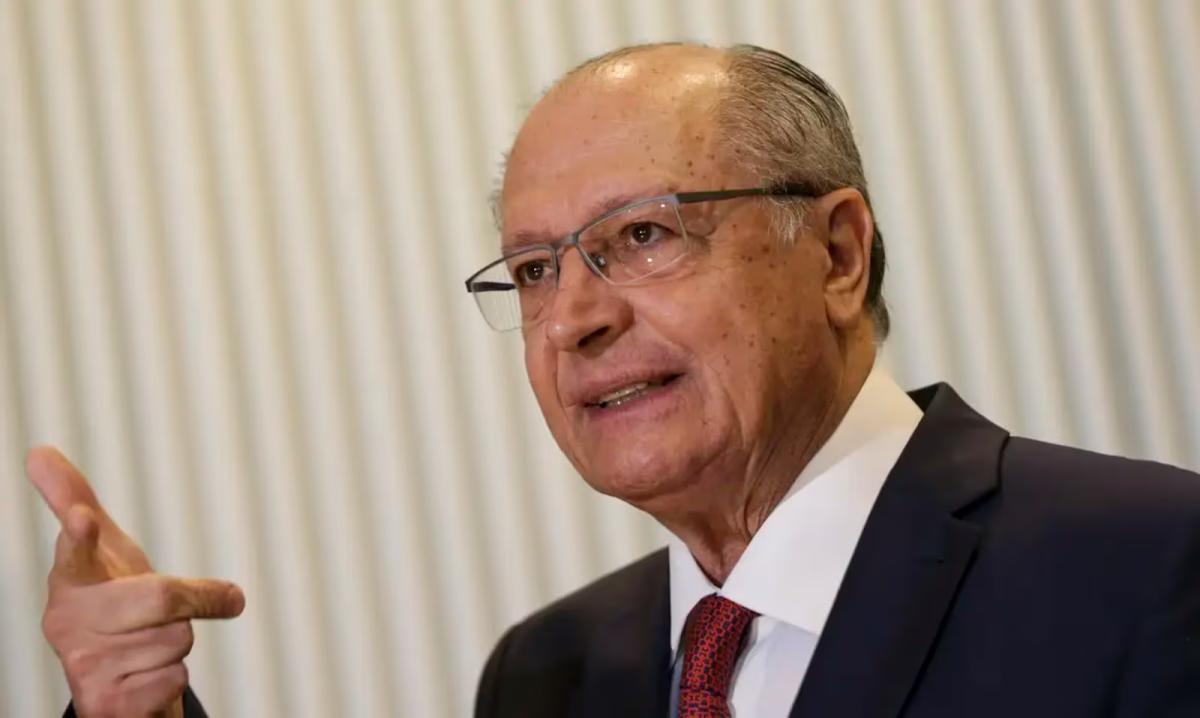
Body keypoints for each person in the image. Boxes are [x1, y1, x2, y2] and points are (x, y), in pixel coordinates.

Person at [30, 42, 1200, 718]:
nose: (577, 318)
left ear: (838, 253)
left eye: (642, 236)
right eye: (537, 269)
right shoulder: (546, 675)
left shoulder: (1150, 565)